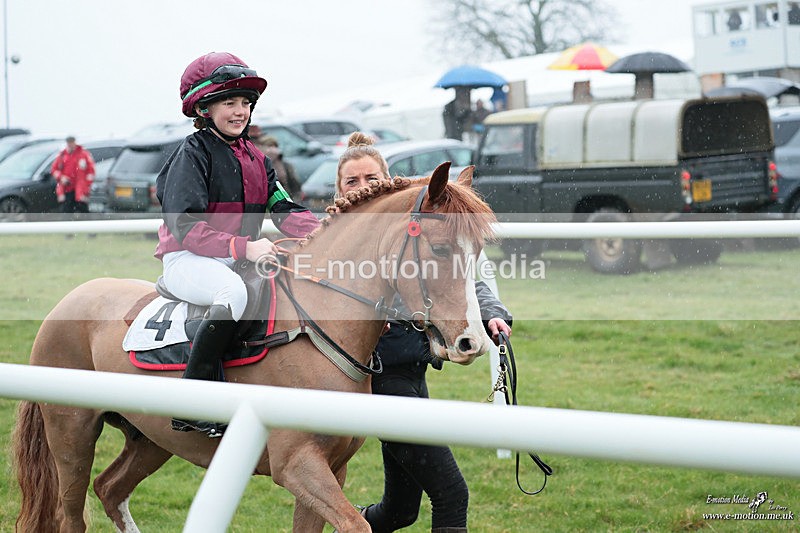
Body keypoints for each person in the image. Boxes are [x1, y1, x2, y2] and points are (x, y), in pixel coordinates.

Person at [335, 132, 513, 533]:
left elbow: (456, 278)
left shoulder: (413, 233)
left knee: (400, 511)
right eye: (352, 182)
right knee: (451, 494)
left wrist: (493, 314)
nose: (363, 189)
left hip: (413, 371)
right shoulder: (337, 242)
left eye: (372, 179)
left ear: (389, 182)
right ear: (339, 189)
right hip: (379, 376)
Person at [155, 52, 320, 437]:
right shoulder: (191, 153)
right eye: (229, 102)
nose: (240, 111)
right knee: (231, 292)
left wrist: (326, 233)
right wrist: (244, 247)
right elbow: (185, 226)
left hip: (232, 256)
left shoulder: (257, 158)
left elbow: (285, 209)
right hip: (186, 258)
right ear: (204, 107)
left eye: (245, 103)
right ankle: (192, 404)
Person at [50, 136, 96, 216]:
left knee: (83, 211)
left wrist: (86, 186)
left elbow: (91, 171)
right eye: (69, 142)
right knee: (66, 212)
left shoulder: (83, 154)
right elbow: (54, 170)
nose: (70, 144)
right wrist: (61, 177)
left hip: (81, 190)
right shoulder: (62, 155)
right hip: (67, 189)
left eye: (72, 142)